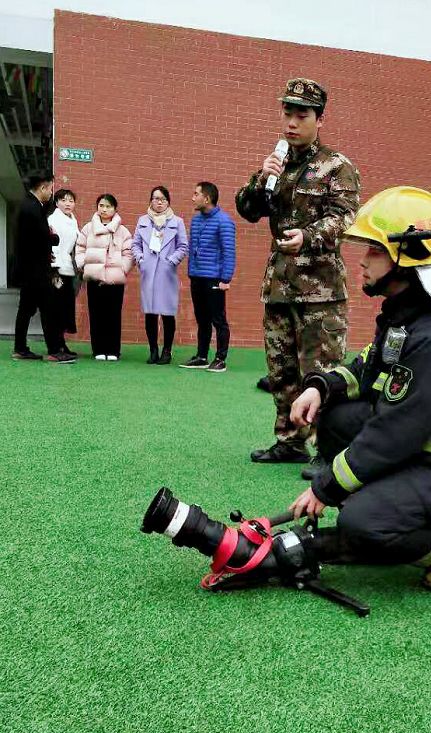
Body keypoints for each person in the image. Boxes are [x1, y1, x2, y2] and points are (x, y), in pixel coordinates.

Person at [287, 186, 431, 592]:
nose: (362, 261)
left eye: (375, 251)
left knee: (361, 522)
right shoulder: (407, 319)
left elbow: (395, 433)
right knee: (339, 419)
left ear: (407, 258)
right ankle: (390, 507)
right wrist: (321, 388)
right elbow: (367, 371)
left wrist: (326, 488)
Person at [235, 77, 361, 464]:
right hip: (279, 285)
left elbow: (346, 218)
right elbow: (246, 208)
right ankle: (290, 441)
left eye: (301, 115)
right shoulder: (277, 162)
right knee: (282, 370)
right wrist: (260, 178)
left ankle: (329, 449)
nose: (291, 122)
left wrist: (307, 237)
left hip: (321, 290)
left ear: (319, 119)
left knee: (321, 372)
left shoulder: (336, 167)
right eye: (286, 113)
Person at [12, 172, 73, 363]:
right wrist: (53, 238)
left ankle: (20, 348)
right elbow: (40, 237)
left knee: (26, 309)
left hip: (31, 269)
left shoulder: (29, 205)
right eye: (51, 188)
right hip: (36, 271)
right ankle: (54, 350)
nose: (51, 192)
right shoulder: (32, 208)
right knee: (48, 310)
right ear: (43, 187)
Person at [180, 182, 235, 372]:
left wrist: (225, 280)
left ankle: (220, 359)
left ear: (207, 198)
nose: (192, 197)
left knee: (218, 319)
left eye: (196, 194)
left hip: (214, 279)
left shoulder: (224, 221)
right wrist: (191, 272)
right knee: (202, 319)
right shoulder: (195, 220)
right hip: (197, 277)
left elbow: (229, 252)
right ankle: (202, 356)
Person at [132, 186, 188, 364]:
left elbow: (183, 246)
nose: (159, 202)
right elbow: (135, 245)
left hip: (167, 272)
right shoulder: (142, 221)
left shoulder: (177, 222)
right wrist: (141, 259)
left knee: (167, 313)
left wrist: (172, 260)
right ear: (150, 201)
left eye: (163, 199)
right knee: (150, 312)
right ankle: (153, 350)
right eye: (156, 198)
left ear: (168, 202)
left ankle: (167, 350)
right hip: (148, 272)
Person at [75, 194, 133, 360]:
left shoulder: (122, 231)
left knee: (113, 315)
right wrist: (84, 266)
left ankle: (113, 350)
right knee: (96, 314)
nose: (104, 209)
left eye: (108, 206)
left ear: (115, 209)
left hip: (115, 280)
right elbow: (79, 248)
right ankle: (98, 349)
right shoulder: (88, 229)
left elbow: (128, 253)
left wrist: (122, 269)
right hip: (95, 279)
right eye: (101, 205)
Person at [47, 188, 81, 356]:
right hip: (56, 268)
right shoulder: (52, 220)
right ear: (57, 202)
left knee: (66, 308)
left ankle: (62, 343)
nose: (68, 204)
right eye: (64, 200)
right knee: (56, 308)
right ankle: (55, 345)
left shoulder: (73, 221)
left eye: (71, 200)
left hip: (68, 268)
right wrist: (53, 270)